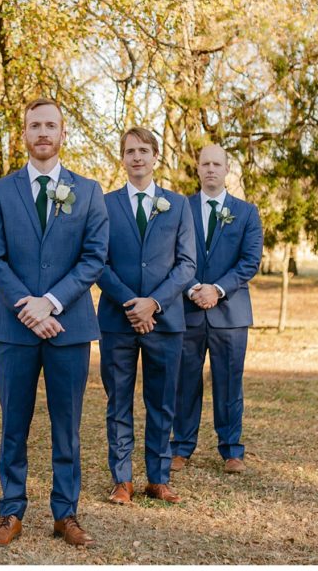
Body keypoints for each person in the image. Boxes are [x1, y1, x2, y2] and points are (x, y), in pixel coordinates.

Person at [0, 98, 108, 549]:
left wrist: (50, 302)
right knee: (13, 424)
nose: (42, 133)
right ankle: (10, 511)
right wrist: (26, 306)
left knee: (67, 425)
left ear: (63, 133)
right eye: (34, 125)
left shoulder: (88, 191)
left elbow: (94, 257)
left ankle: (65, 514)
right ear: (24, 133)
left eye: (50, 125)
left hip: (69, 326)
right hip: (13, 328)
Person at [96, 127, 196, 505]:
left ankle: (159, 476)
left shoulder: (178, 204)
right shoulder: (104, 204)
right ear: (122, 158)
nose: (136, 157)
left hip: (166, 321)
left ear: (156, 156)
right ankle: (122, 479)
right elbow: (98, 262)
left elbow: (187, 265)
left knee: (162, 401)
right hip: (117, 321)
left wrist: (153, 303)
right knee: (118, 401)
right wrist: (130, 303)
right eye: (129, 151)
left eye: (143, 150)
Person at [171, 144, 263, 475]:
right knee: (184, 381)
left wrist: (218, 289)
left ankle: (231, 450)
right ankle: (180, 447)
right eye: (205, 163)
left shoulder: (247, 212)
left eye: (217, 164)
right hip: (187, 308)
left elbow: (250, 261)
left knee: (229, 381)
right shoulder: (179, 208)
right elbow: (170, 255)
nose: (211, 169)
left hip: (230, 313)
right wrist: (194, 287)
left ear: (227, 169)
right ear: (197, 169)